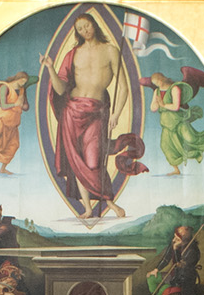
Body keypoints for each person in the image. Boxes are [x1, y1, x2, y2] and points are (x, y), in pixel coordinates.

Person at [40, 12, 141, 218]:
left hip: (96, 111)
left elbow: (123, 88)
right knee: (76, 161)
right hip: (72, 110)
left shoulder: (111, 50)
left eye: (87, 26)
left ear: (94, 25)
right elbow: (60, 90)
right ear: (77, 33)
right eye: (80, 29)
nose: (84, 31)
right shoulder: (73, 53)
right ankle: (87, 208)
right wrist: (50, 68)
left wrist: (116, 114)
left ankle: (110, 203)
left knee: (93, 160)